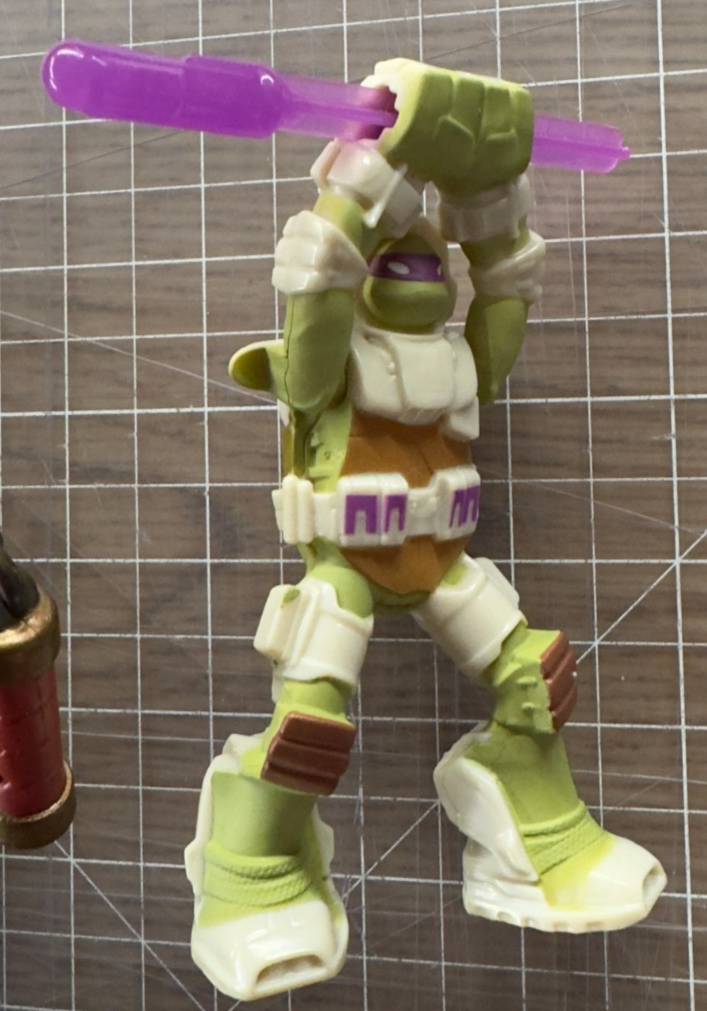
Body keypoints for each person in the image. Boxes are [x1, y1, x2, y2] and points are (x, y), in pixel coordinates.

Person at [184, 58, 666, 1001]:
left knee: (535, 677)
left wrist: (489, 199)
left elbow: (506, 292)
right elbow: (318, 275)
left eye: (428, 249)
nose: (412, 258)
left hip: (443, 562)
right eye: (389, 250)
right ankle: (250, 863)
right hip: (346, 569)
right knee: (308, 724)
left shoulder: (454, 360)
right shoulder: (328, 353)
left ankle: (529, 834)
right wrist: (367, 179)